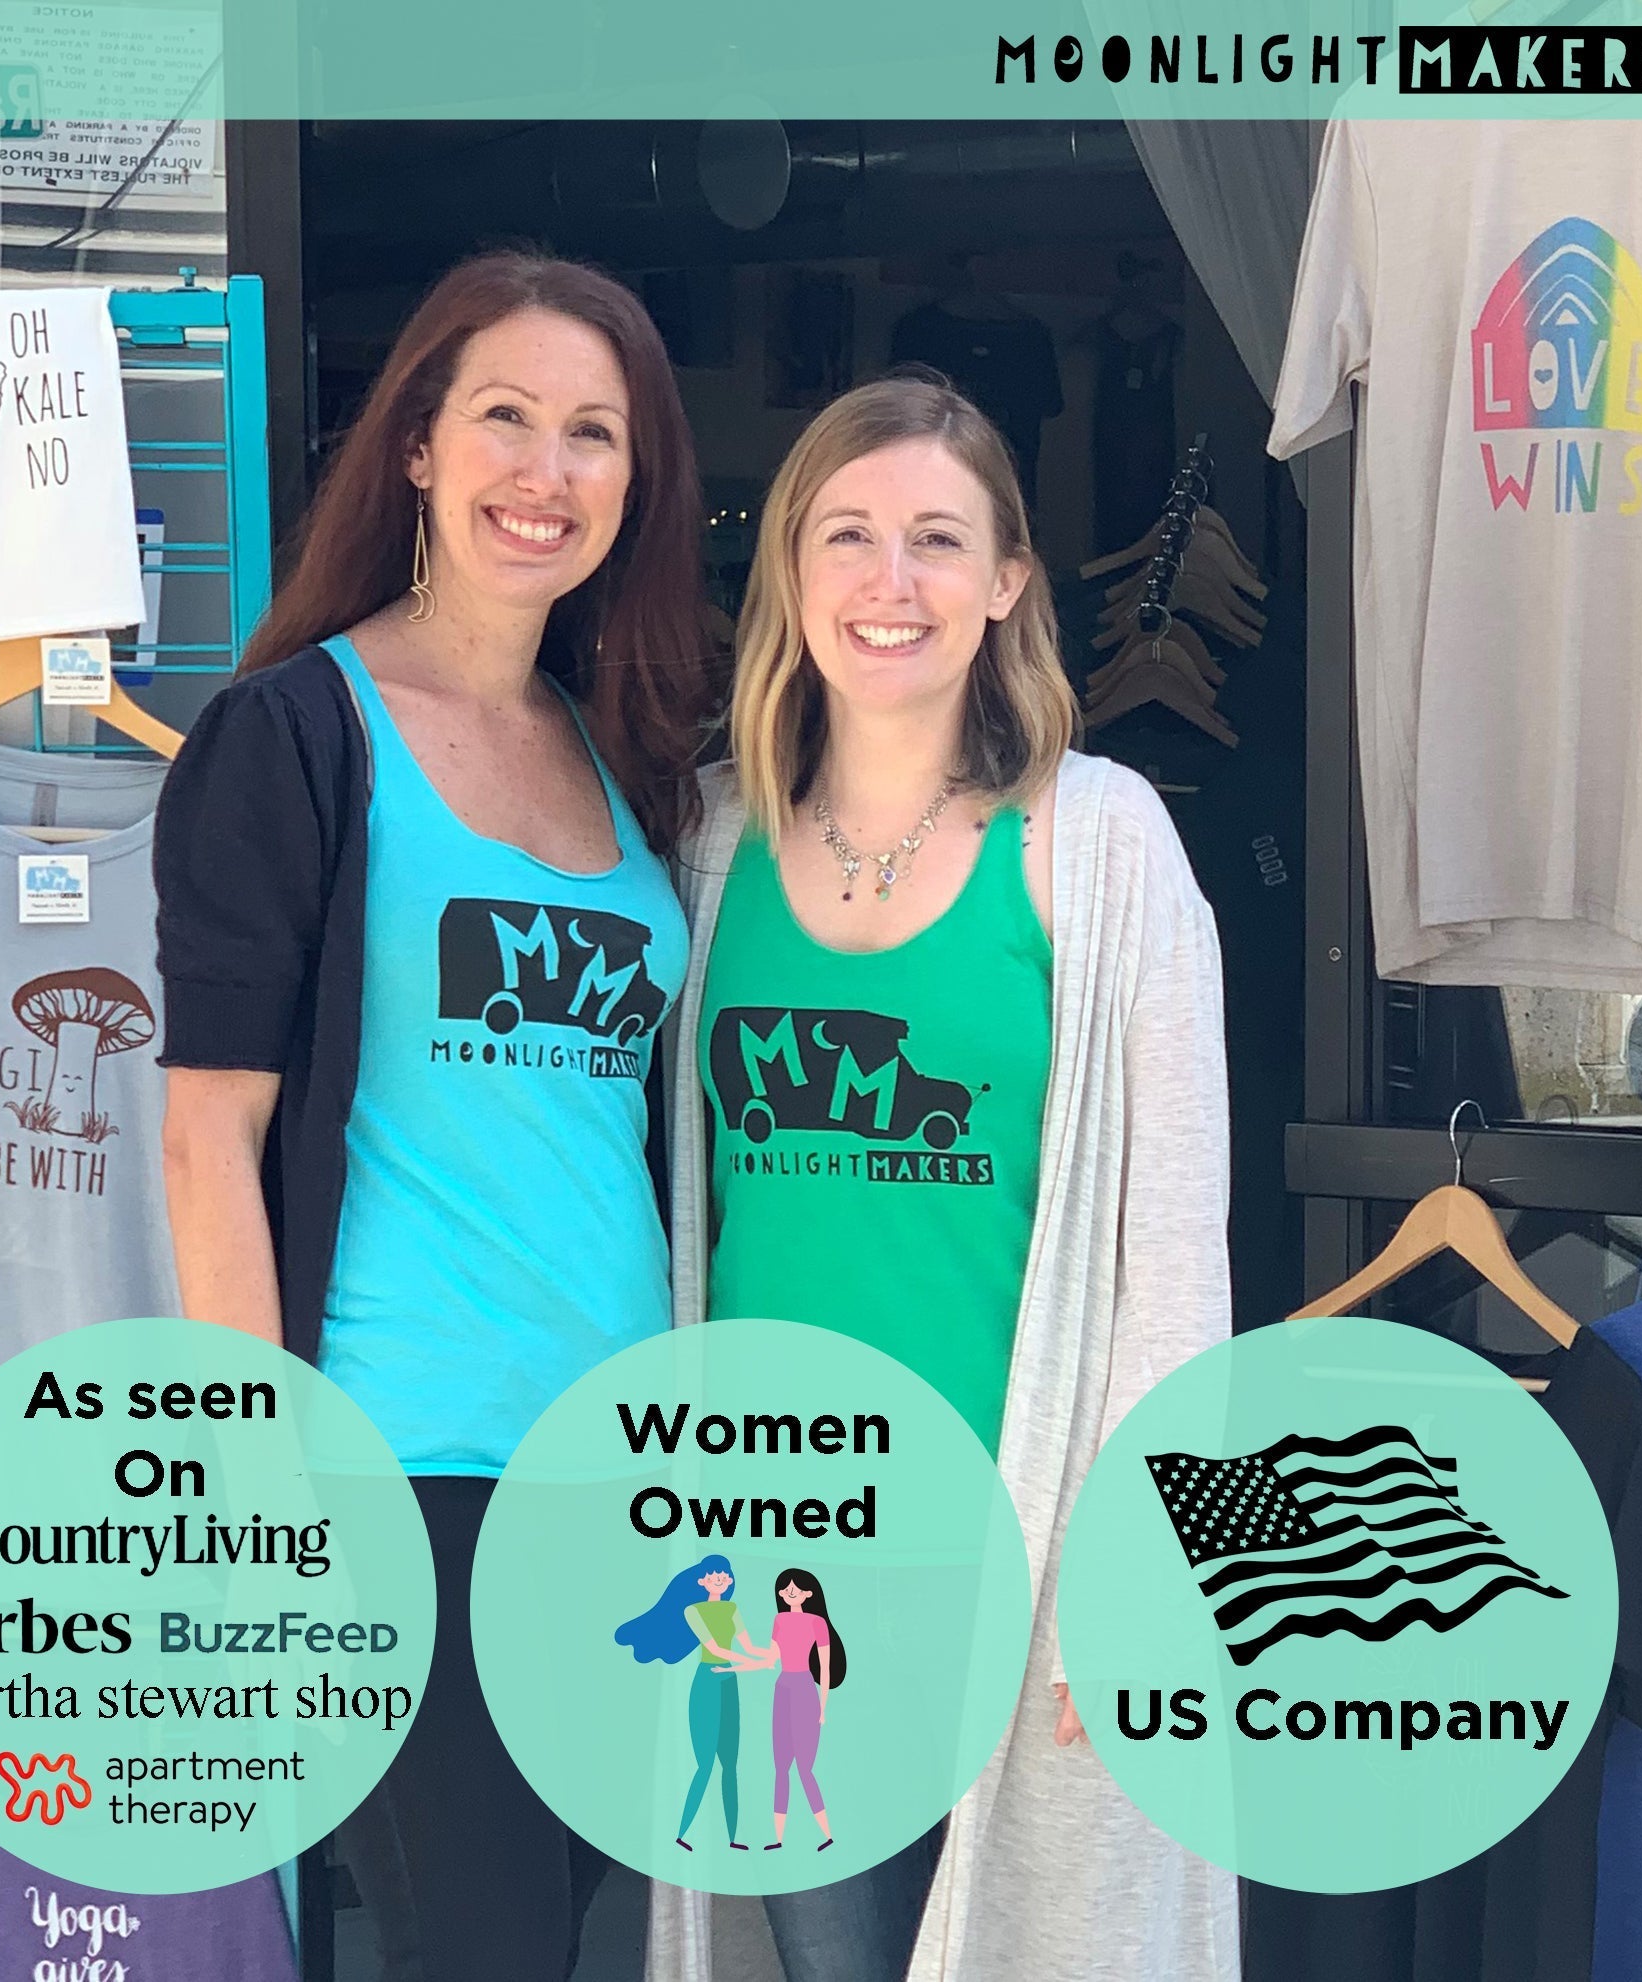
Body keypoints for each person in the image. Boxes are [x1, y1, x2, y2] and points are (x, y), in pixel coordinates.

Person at [152, 250, 714, 1982]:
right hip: (403, 1463)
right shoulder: (288, 737)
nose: (543, 475)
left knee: (582, 1943)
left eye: (591, 435)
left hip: (616, 1468)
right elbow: (204, 1145)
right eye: (504, 419)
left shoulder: (629, 754)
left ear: (634, 484)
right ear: (415, 445)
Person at [652, 372, 1239, 1982]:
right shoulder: (708, 845)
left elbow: (1175, 1245)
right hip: (775, 1554)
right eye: (845, 534)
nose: (887, 581)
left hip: (1019, 1543)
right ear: (787, 573)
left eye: (933, 538)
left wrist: (1142, 1558)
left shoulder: (1100, 842)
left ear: (1005, 585)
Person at [615, 1555, 771, 1851]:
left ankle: (732, 1838)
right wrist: (755, 1661)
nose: (721, 1580)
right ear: (701, 1581)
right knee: (703, 1764)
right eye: (715, 1576)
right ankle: (683, 1834)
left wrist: (767, 1653)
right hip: (708, 1681)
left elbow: (747, 1644)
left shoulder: (733, 1609)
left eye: (725, 1576)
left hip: (729, 1681)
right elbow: (713, 1647)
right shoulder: (693, 1611)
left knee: (730, 1764)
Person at [749, 1568, 844, 1852]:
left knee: (806, 1769)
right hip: (783, 1688)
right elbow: (770, 1658)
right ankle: (778, 1839)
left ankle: (825, 1833)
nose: (789, 1591)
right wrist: (736, 1659)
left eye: (796, 1587)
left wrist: (824, 1706)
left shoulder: (817, 1623)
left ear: (808, 1593)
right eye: (785, 1587)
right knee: (780, 1767)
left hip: (805, 1689)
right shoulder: (779, 1620)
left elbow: (825, 1667)